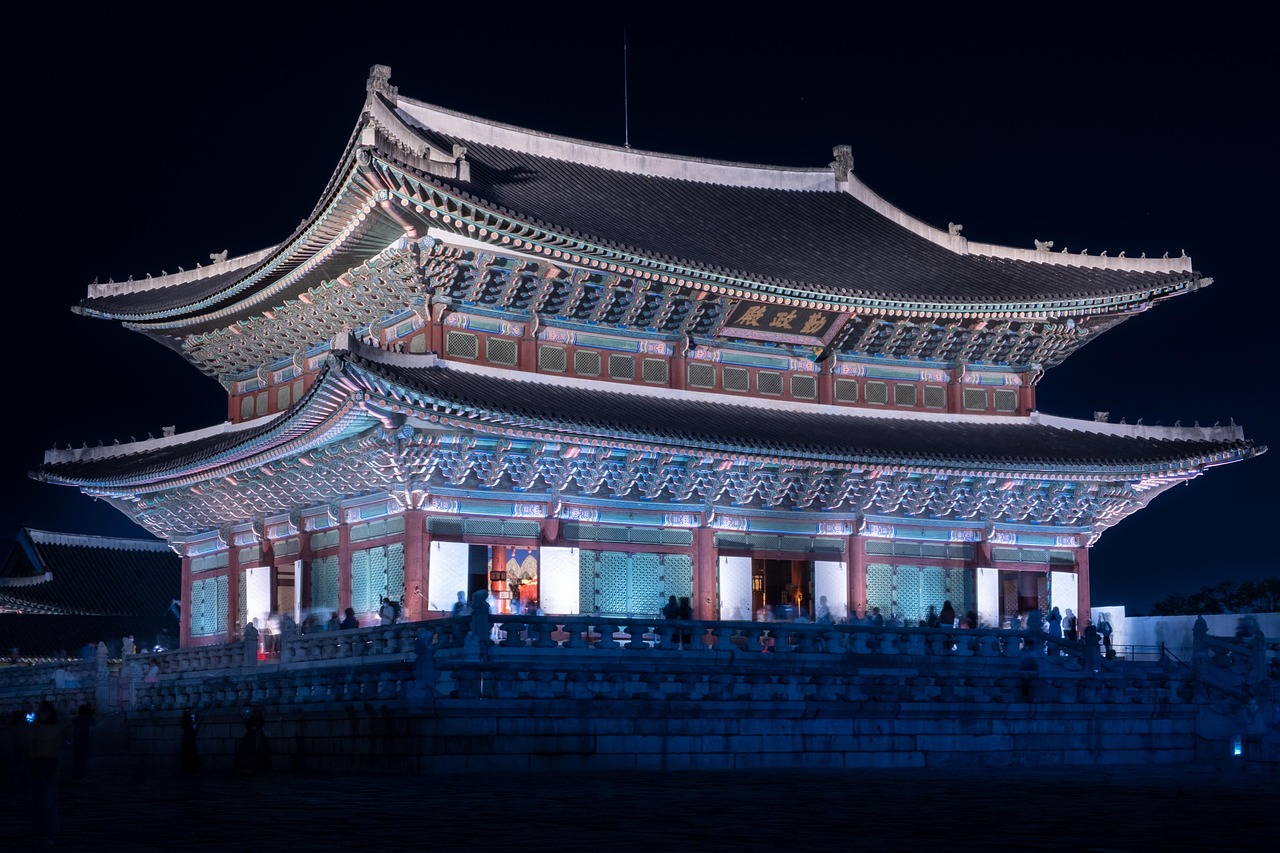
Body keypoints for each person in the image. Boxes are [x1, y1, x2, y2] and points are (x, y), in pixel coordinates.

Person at [30, 700, 63, 844]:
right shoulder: (37, 727)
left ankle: (48, 832)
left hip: (49, 763)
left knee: (47, 800)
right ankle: (42, 832)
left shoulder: (43, 728)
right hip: (40, 763)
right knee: (40, 800)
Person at [71, 704, 94, 781]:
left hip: (76, 741)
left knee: (76, 759)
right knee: (82, 760)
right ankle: (81, 776)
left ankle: (75, 775)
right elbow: (92, 724)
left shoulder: (75, 719)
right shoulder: (87, 719)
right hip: (83, 741)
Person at [181, 708, 199, 773]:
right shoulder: (187, 718)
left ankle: (190, 766)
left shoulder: (188, 718)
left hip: (188, 737)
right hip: (188, 737)